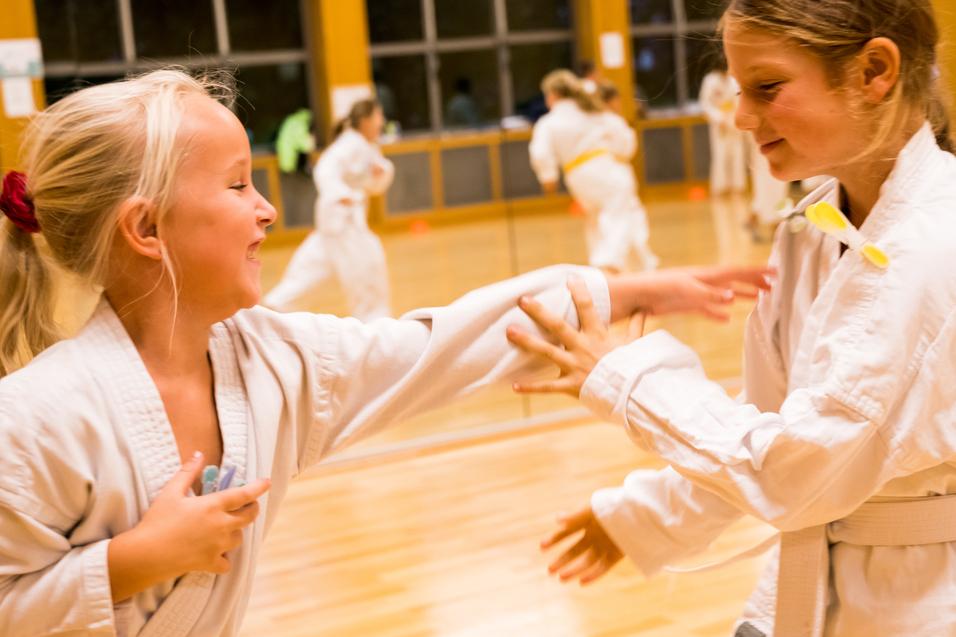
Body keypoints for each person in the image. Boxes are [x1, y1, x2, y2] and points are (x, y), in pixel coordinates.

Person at [0, 68, 771, 636]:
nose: (266, 208)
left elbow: (441, 345)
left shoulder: (273, 362)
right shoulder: (34, 417)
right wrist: (134, 559)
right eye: (238, 187)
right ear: (146, 230)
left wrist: (629, 290)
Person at [509, 1, 956, 635]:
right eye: (741, 90)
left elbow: (795, 471)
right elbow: (772, 420)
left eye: (767, 88)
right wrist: (646, 515)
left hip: (918, 598)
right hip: (817, 572)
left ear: (873, 71)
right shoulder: (811, 227)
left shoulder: (935, 246)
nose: (743, 115)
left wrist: (627, 378)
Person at [263, 98, 392, 320]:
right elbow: (325, 168)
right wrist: (341, 194)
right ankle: (374, 323)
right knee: (367, 272)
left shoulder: (365, 146)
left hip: (334, 223)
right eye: (379, 116)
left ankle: (275, 308)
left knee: (309, 270)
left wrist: (379, 173)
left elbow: (373, 182)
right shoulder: (350, 144)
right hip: (344, 222)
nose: (381, 122)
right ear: (366, 120)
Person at [530, 69, 659, 273]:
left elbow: (540, 152)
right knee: (622, 216)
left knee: (598, 219)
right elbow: (624, 139)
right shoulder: (593, 111)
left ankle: (630, 265)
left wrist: (548, 176)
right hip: (607, 169)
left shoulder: (549, 122)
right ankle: (609, 262)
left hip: (577, 176)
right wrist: (620, 153)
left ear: (553, 94)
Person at [700, 60, 747, 196]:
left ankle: (738, 187)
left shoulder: (734, 80)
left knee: (737, 154)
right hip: (719, 124)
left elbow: (739, 101)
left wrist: (733, 119)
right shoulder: (710, 80)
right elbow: (705, 104)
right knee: (720, 155)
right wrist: (719, 118)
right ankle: (720, 188)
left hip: (733, 121)